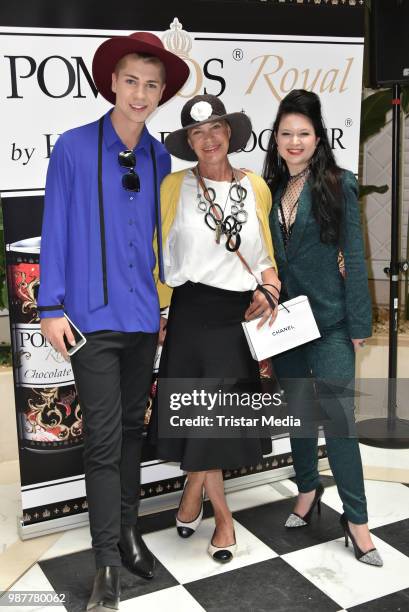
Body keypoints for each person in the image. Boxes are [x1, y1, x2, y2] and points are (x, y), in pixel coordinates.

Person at [38, 31, 189, 610]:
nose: (141, 93)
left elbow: (162, 239)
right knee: (103, 440)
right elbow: (55, 230)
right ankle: (105, 563)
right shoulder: (73, 148)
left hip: (142, 318)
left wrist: (168, 306)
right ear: (112, 83)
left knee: (130, 432)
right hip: (88, 322)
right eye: (132, 81)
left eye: (152, 85)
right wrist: (50, 305)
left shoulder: (157, 155)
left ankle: (128, 532)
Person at [151, 94, 281, 563]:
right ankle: (223, 518)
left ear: (230, 134)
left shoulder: (257, 187)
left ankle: (193, 493)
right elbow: (157, 253)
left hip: (236, 318)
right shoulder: (172, 187)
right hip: (189, 312)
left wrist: (270, 289)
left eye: (215, 130)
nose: (208, 140)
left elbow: (266, 256)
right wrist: (160, 312)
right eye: (196, 133)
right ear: (189, 142)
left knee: (214, 419)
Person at [263, 89, 383, 566]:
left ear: (318, 138)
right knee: (298, 415)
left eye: (303, 134)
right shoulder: (269, 190)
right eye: (286, 133)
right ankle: (308, 490)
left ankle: (357, 520)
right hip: (287, 323)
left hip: (331, 322)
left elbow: (353, 255)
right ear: (276, 139)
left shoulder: (338, 183)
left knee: (339, 424)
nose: (294, 141)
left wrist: (358, 323)